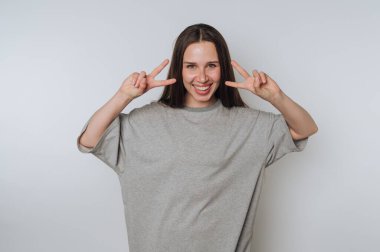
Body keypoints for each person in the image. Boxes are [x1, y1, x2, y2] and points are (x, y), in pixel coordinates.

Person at [76, 23, 318, 252]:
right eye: (191, 66)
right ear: (179, 70)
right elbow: (90, 139)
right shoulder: (144, 122)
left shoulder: (249, 125)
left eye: (211, 65)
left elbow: (304, 128)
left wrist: (276, 97)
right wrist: (123, 96)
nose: (202, 77)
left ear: (223, 67)